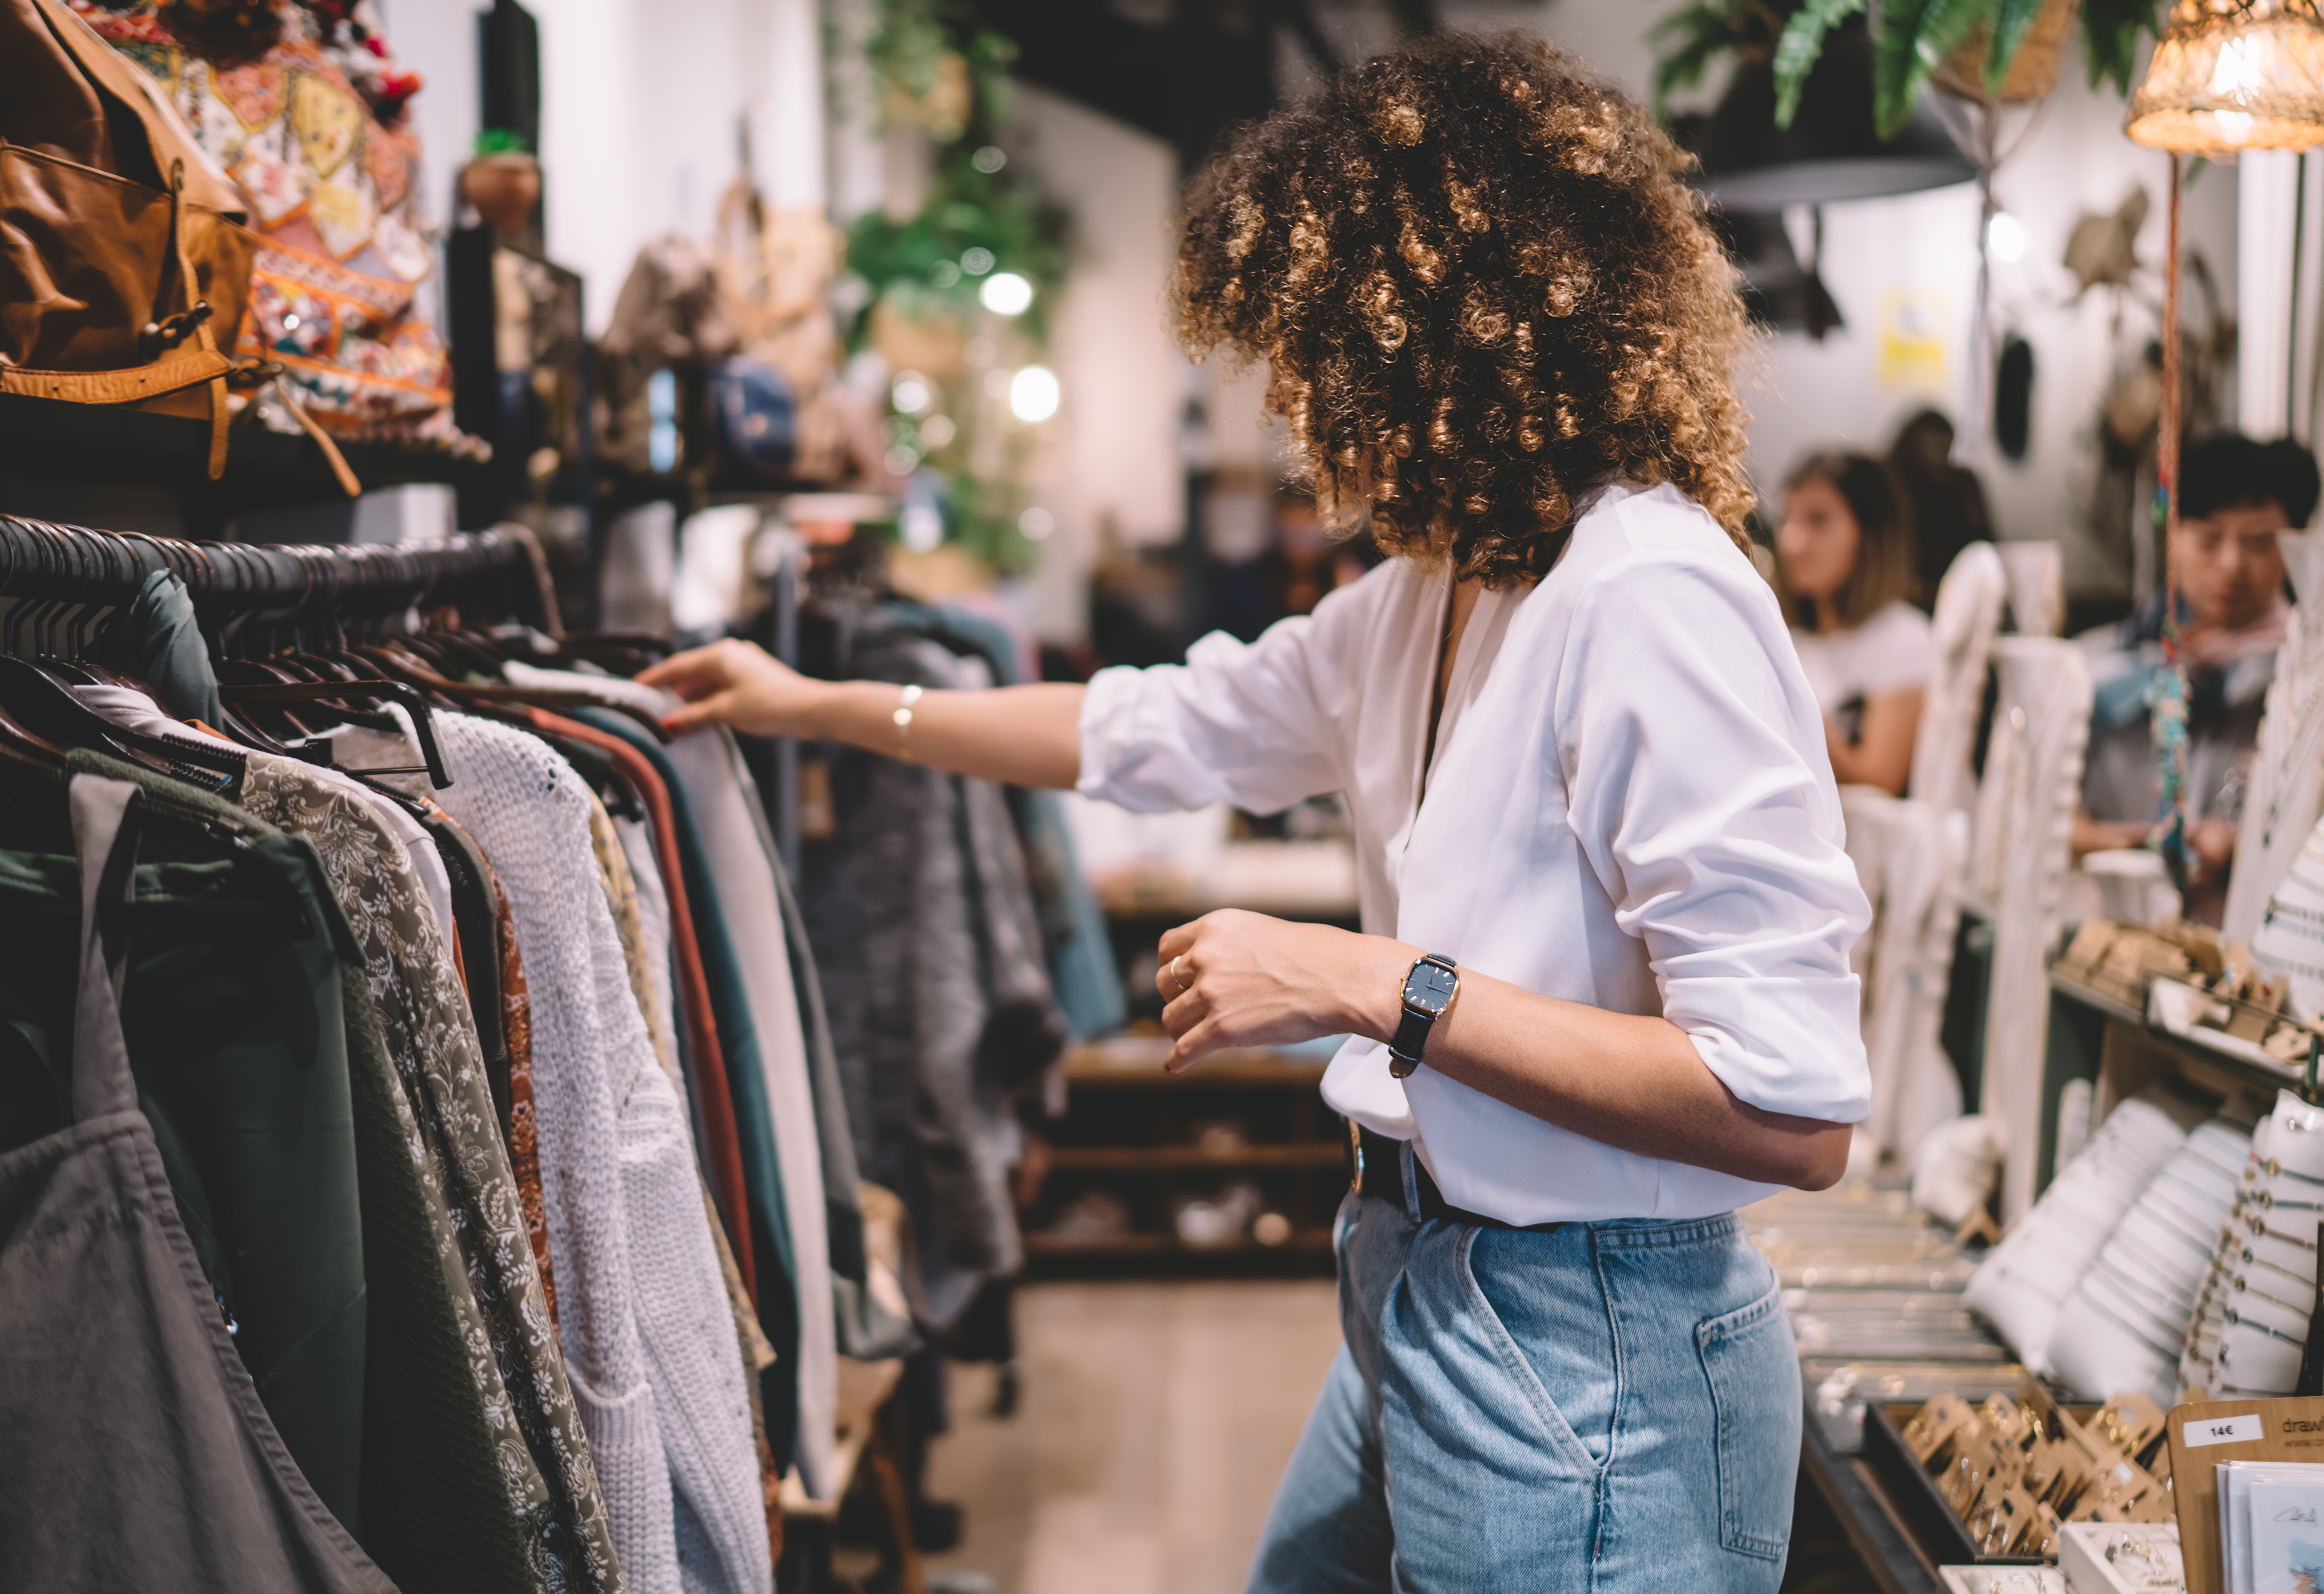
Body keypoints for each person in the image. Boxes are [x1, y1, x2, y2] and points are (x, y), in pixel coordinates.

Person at [638, 34, 1869, 1594]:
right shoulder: (1436, 594)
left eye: (1316, 356)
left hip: (1592, 1345)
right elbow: (1150, 723)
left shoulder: (1654, 600)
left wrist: (1373, 983)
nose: (1298, 412)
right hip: (1426, 1274)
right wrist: (815, 705)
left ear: (1439, 340)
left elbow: (1789, 1105)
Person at [2075, 433, 2322, 924]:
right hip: (2102, 937)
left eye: (2258, 542)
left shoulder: (2307, 683)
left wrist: (2246, 844)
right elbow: (2030, 817)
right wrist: (2128, 844)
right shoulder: (2093, 668)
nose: (2232, 564)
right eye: (2209, 540)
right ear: (2173, 536)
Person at [1772, 451, 1932, 795]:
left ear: (1870, 534)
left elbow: (1880, 781)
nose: (1791, 542)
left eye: (1818, 521)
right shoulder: (1790, 637)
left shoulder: (1904, 637)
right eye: (1787, 520)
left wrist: (1791, 701)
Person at [1887, 408, 1994, 607]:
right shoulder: (1895, 482)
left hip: (1963, 586)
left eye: (1943, 445)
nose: (1937, 454)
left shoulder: (1964, 483)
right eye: (1931, 446)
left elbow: (1987, 541)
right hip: (1907, 588)